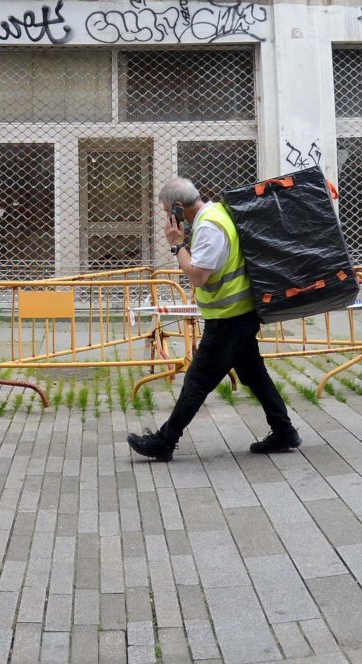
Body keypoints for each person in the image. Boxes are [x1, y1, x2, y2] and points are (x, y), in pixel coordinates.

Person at [128, 178, 299, 461]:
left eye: (166, 211)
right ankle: (284, 430)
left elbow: (198, 275)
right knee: (254, 375)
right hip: (239, 314)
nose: (166, 218)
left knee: (196, 382)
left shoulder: (208, 226)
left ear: (179, 208)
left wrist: (176, 245)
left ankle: (165, 441)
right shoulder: (217, 212)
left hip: (228, 319)